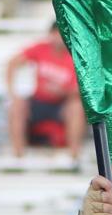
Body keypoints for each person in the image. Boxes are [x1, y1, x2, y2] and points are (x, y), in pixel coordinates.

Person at [5, 25, 85, 160]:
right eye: (55, 34)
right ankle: (18, 156)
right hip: (39, 102)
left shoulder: (76, 54)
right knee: (17, 105)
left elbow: (84, 89)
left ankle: (74, 156)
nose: (58, 39)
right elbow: (13, 63)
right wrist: (12, 92)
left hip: (62, 104)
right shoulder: (41, 48)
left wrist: (63, 92)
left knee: (76, 107)